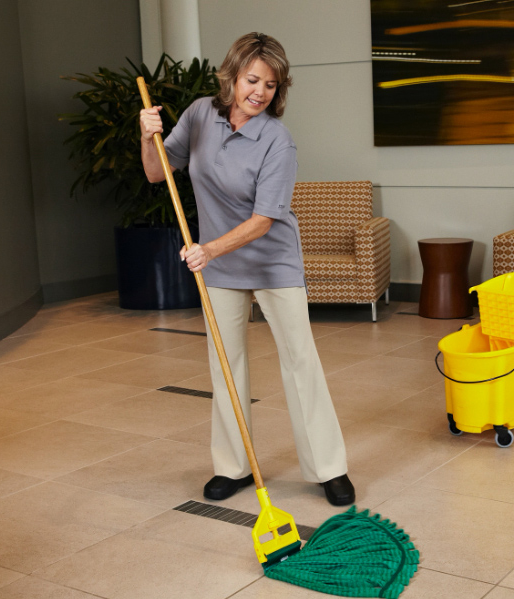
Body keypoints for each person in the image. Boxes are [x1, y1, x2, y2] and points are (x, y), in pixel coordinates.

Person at [139, 33, 354, 506]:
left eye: (271, 85)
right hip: (218, 266)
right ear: (232, 76)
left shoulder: (278, 140)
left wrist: (210, 248)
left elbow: (264, 219)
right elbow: (158, 172)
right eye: (253, 80)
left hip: (271, 260)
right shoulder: (199, 115)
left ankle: (327, 468)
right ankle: (233, 467)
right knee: (226, 366)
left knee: (300, 361)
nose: (260, 92)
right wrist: (145, 131)